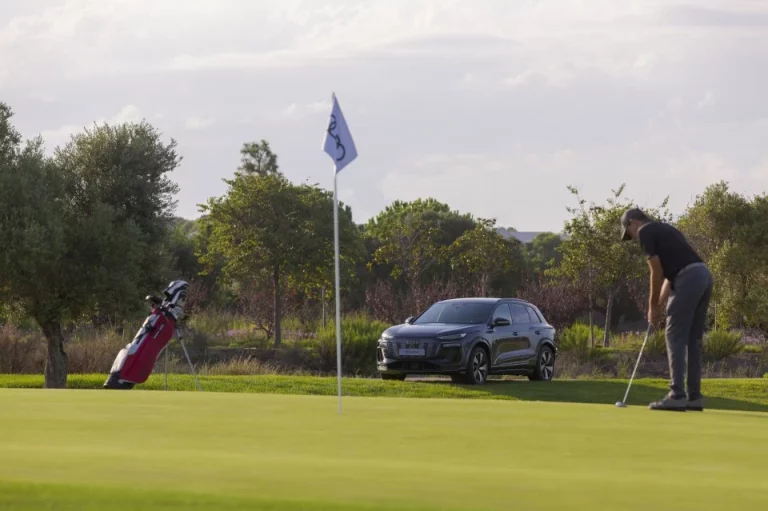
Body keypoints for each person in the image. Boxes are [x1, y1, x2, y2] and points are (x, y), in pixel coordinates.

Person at [621, 208, 713, 411]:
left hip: (688, 280)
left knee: (674, 336)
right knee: (693, 339)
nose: (633, 237)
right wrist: (659, 305)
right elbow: (669, 274)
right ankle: (694, 397)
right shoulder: (667, 229)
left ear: (633, 223)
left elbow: (656, 271)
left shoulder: (645, 232)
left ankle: (677, 394)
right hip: (703, 276)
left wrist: (652, 306)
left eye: (630, 233)